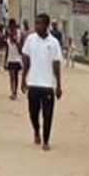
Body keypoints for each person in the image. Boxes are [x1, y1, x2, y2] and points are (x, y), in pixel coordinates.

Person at [21, 13, 63, 151]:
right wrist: (23, 79)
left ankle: (46, 140)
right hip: (33, 83)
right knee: (33, 113)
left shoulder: (54, 43)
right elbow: (26, 60)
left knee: (48, 115)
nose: (36, 26)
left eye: (39, 23)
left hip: (48, 85)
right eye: (36, 23)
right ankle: (36, 130)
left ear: (46, 25)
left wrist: (58, 85)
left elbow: (56, 64)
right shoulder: (30, 39)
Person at [5, 19, 23, 100]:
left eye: (12, 26)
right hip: (10, 59)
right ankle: (12, 92)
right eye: (10, 27)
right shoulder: (8, 37)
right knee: (11, 76)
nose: (11, 28)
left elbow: (20, 49)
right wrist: (5, 60)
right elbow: (7, 49)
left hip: (17, 59)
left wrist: (16, 41)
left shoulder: (18, 35)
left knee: (15, 76)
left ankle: (15, 91)